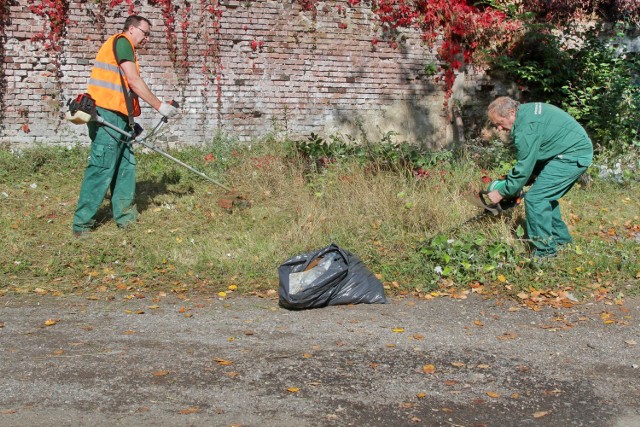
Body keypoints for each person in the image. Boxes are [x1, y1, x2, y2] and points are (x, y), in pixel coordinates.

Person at [72, 15, 179, 237]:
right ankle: (82, 225)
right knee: (102, 168)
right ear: (131, 29)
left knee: (125, 168)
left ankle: (126, 218)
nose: (147, 38)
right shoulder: (122, 42)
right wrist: (160, 106)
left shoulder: (125, 47)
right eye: (145, 32)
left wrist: (131, 122)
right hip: (106, 116)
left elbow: (123, 89)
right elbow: (133, 81)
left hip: (118, 117)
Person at [486, 96, 593, 259]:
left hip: (572, 155)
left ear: (511, 112)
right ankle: (561, 241)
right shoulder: (526, 113)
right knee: (545, 197)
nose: (499, 128)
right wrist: (524, 179)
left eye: (500, 123)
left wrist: (501, 193)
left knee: (536, 199)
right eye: (496, 125)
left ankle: (545, 252)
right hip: (564, 152)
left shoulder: (526, 127)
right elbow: (537, 152)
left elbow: (524, 167)